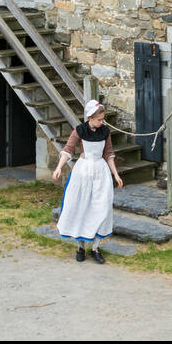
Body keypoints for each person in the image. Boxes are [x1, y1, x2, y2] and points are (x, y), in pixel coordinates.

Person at [53, 99, 124, 263]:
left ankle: (96, 248)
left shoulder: (105, 132)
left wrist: (116, 174)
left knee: (102, 208)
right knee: (81, 207)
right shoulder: (79, 131)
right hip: (83, 172)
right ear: (90, 118)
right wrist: (58, 167)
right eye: (99, 119)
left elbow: (108, 154)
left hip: (100, 172)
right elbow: (68, 150)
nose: (102, 121)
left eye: (102, 119)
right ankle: (80, 246)